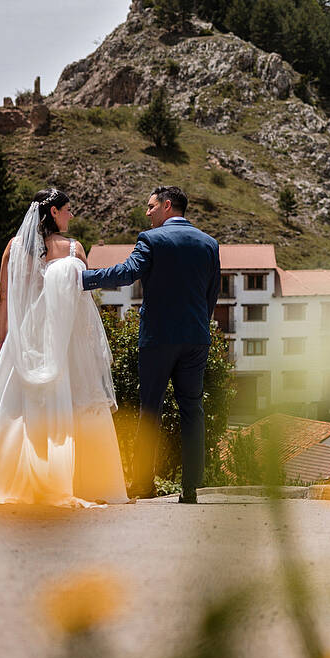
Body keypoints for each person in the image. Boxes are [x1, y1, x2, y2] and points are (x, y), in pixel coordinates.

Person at [0, 188, 128, 506]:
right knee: (73, 405)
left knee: (19, 405)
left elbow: (4, 298)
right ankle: (84, 480)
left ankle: (6, 478)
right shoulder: (74, 249)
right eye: (67, 210)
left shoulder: (14, 247)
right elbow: (85, 298)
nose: (71, 216)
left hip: (27, 336)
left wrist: (2, 337)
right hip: (66, 340)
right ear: (54, 212)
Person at [81, 185, 220, 503]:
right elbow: (211, 294)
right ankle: (191, 488)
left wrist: (81, 279)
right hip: (196, 339)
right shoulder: (209, 244)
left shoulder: (151, 239)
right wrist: (198, 326)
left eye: (151, 206)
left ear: (167, 206)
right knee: (193, 411)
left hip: (157, 339)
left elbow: (128, 273)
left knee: (149, 411)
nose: (147, 212)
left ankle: (143, 484)